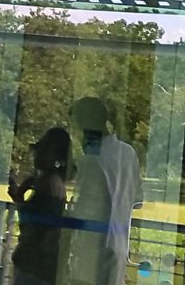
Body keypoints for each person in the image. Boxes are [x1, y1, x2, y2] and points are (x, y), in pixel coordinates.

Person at [67, 97, 140, 285]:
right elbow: (137, 199)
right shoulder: (128, 154)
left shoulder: (93, 160)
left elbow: (82, 209)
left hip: (91, 251)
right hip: (118, 246)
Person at [10, 127, 73, 285]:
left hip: (35, 268)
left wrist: (19, 199)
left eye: (44, 150)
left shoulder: (49, 184)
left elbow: (36, 230)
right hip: (40, 268)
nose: (37, 154)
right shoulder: (54, 183)